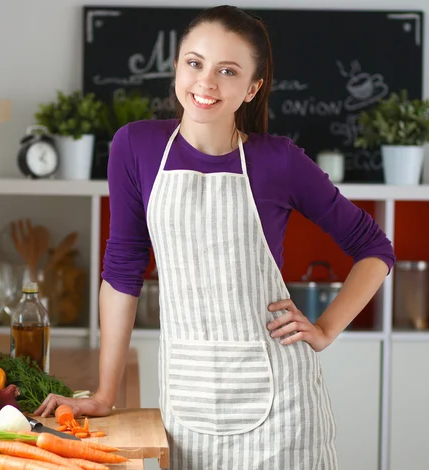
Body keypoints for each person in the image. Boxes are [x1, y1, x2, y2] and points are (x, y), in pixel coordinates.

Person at [35, 5, 395, 469]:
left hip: (283, 416)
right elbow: (122, 271)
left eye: (228, 71)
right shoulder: (135, 147)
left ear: (252, 87)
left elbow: (374, 249)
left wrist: (325, 329)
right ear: (177, 66)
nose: (206, 83)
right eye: (195, 62)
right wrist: (105, 393)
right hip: (189, 407)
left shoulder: (278, 160)